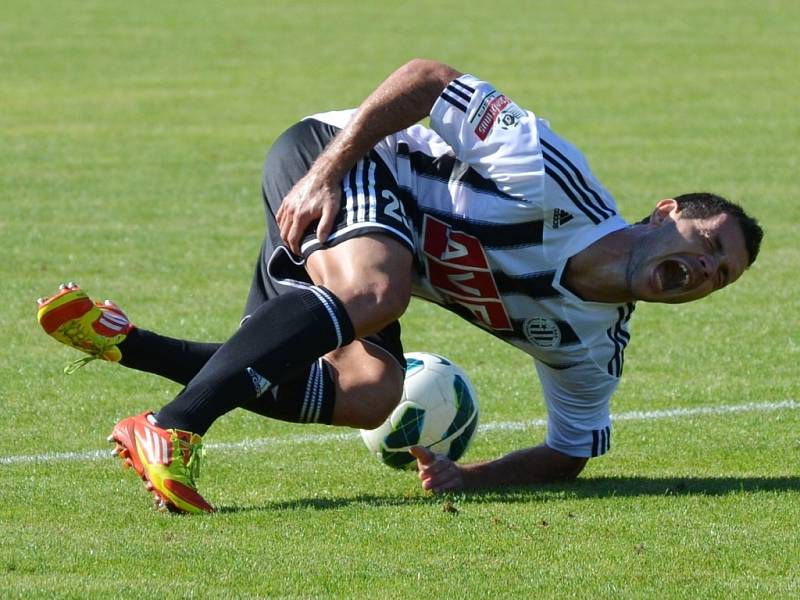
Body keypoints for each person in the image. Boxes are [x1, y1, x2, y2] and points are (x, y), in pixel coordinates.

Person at [36, 59, 763, 514]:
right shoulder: (552, 179)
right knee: (380, 288)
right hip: (339, 155)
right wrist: (328, 169)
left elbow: (569, 450)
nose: (704, 272)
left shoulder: (592, 343)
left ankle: (126, 343)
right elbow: (427, 80)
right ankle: (174, 426)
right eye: (706, 246)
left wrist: (471, 478)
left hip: (376, 248)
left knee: (370, 393)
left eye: (719, 277)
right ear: (664, 212)